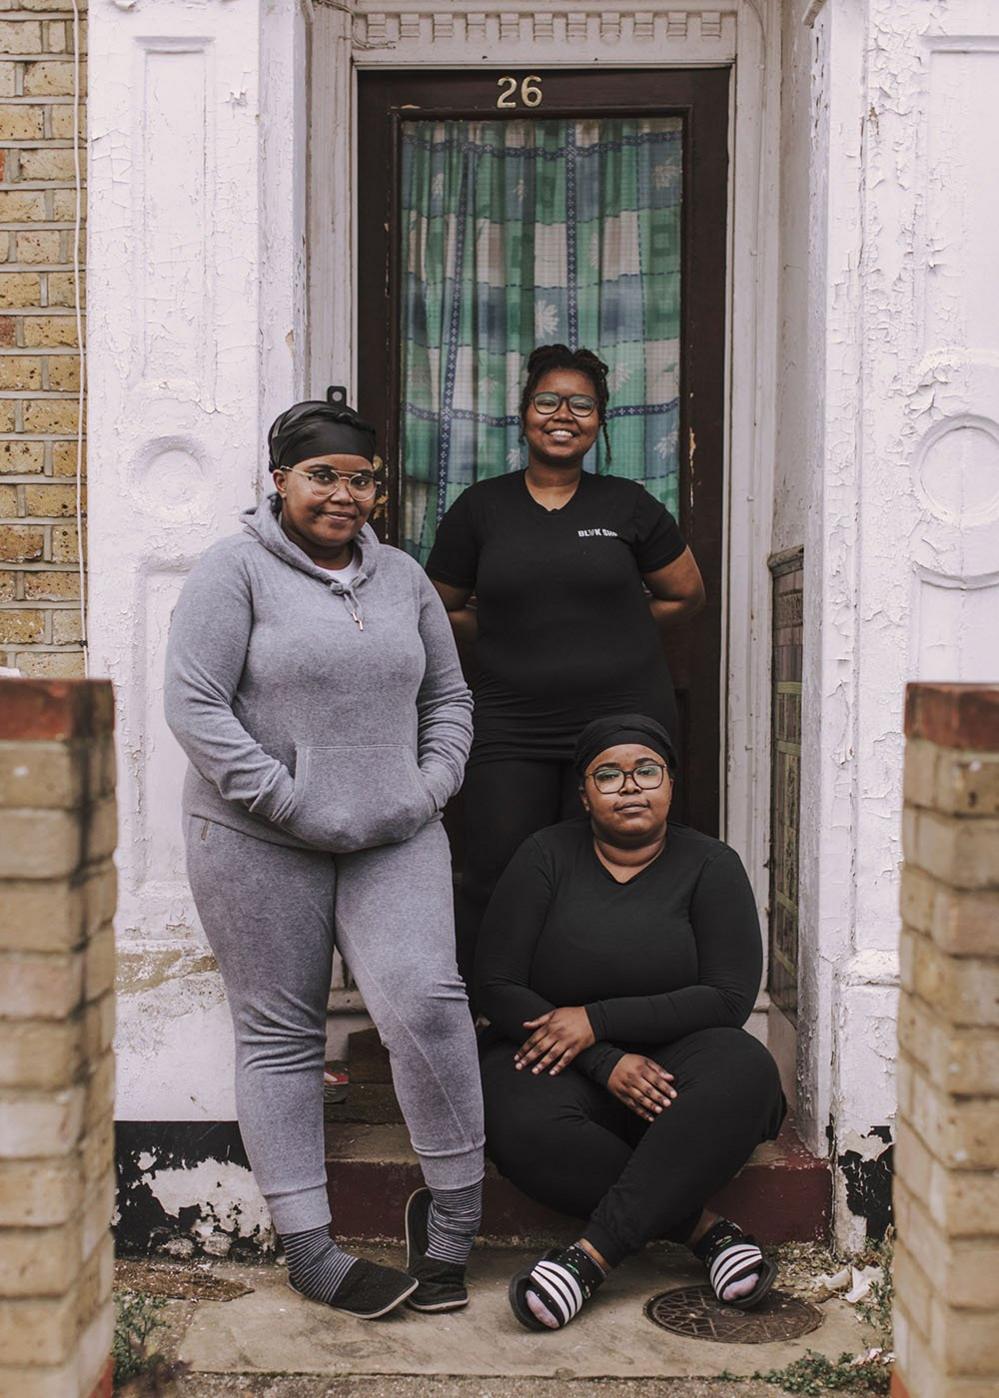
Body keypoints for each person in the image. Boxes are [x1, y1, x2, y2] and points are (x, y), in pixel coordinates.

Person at [164, 389, 485, 1320]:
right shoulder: (234, 572)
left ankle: (454, 1223)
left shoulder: (405, 580)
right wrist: (288, 799)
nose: (343, 495)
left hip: (393, 831)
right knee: (278, 1033)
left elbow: (450, 699)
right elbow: (195, 707)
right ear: (278, 481)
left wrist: (427, 789)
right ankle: (308, 1243)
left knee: (426, 1001)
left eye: (361, 479)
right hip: (256, 836)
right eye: (321, 476)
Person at [475, 713, 785, 1331]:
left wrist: (597, 1019)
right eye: (608, 775)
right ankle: (706, 1233)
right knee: (515, 1116)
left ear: (670, 783)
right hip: (559, 1058)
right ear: (584, 793)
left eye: (647, 770)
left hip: (680, 1059)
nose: (630, 786)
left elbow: (729, 997)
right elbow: (495, 984)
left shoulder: (711, 865)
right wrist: (600, 1055)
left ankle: (589, 1259)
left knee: (746, 1071)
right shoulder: (545, 856)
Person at [426, 344, 705, 989]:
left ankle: (599, 1007)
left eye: (581, 404)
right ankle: (490, 1011)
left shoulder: (628, 506)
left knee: (612, 866)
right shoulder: (481, 508)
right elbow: (437, 607)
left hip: (620, 720)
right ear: (524, 414)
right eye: (547, 400)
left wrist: (617, 626)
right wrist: (498, 627)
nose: (563, 414)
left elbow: (685, 594)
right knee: (496, 868)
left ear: (599, 421)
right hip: (510, 721)